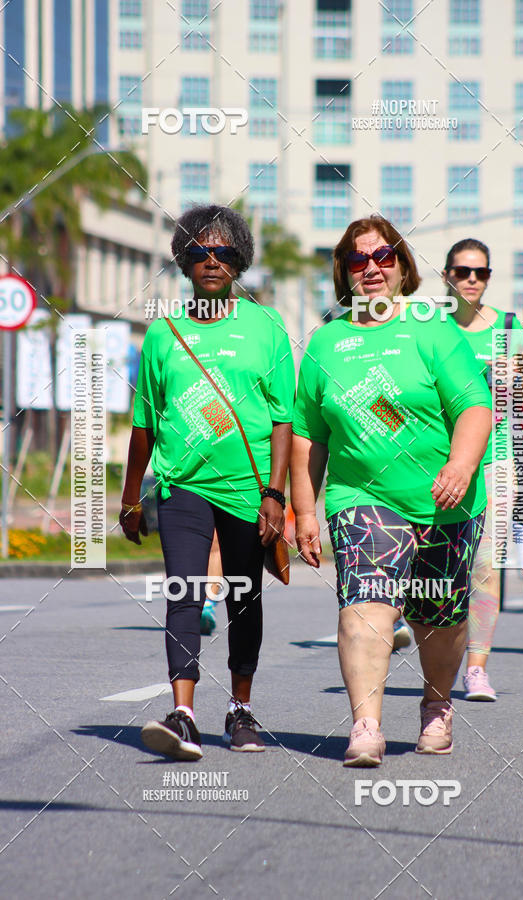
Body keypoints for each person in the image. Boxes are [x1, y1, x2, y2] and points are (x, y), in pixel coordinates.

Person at [291, 215, 492, 765]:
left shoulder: (432, 328)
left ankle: (436, 704)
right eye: (359, 260)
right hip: (362, 497)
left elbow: (475, 406)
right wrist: (305, 513)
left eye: (383, 257)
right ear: (344, 272)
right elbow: (308, 436)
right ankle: (366, 726)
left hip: (447, 498)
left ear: (403, 267)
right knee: (365, 602)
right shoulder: (325, 344)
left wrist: (460, 465)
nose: (372, 268)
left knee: (440, 616)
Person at [119, 204, 295, 759]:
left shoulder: (266, 328)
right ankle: (184, 712)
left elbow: (285, 419)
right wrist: (130, 497)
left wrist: (276, 494)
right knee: (184, 592)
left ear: (239, 260)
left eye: (222, 251)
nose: (210, 260)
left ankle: (240, 709)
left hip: (248, 486)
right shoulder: (163, 334)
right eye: (198, 251)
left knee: (244, 597)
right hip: (181, 486)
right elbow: (144, 423)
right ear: (183, 262)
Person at [442, 238, 523, 702]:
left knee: (487, 568)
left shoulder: (507, 328)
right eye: (462, 271)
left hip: (494, 463)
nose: (472, 279)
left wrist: (509, 472)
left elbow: (514, 407)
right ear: (448, 276)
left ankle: (476, 669)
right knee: (440, 566)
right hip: (441, 462)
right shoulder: (433, 327)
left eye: (481, 272)